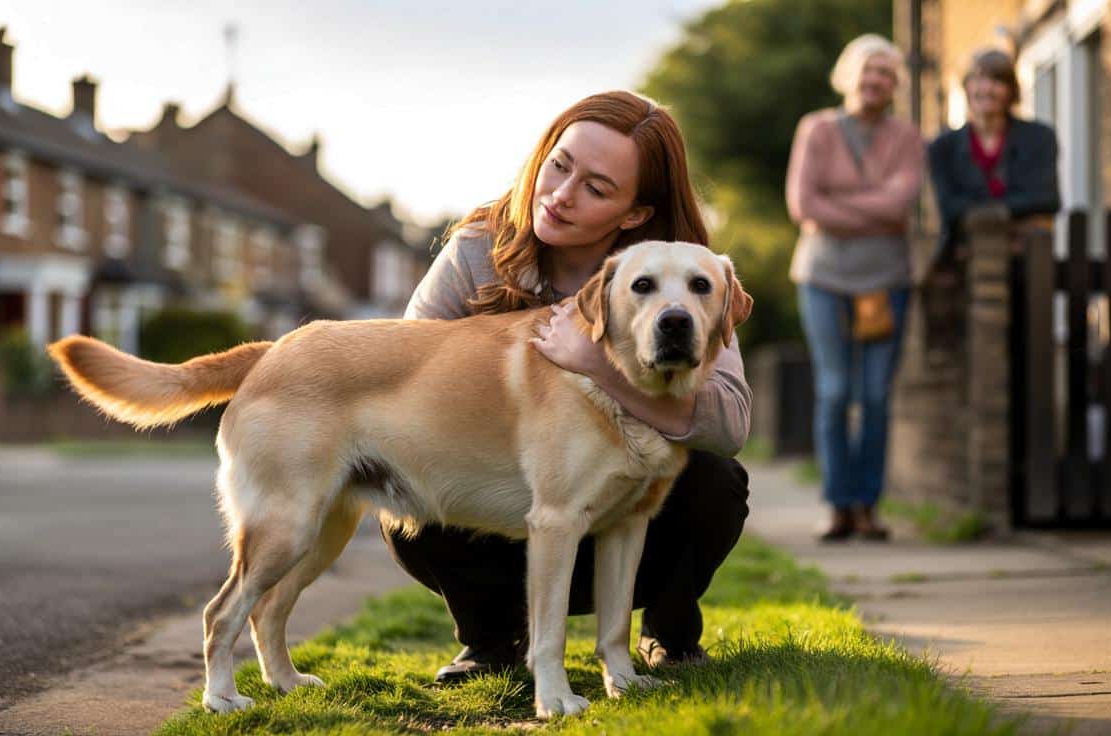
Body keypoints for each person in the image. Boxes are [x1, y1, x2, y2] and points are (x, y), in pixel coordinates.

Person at [383, 90, 752, 684]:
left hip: (629, 529)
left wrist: (594, 361)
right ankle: (492, 641)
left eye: (596, 188)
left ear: (634, 214)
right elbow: (405, 374)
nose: (559, 195)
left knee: (714, 478)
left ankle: (669, 628)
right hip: (505, 512)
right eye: (559, 165)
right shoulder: (477, 252)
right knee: (411, 485)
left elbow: (730, 424)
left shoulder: (684, 274)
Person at [784, 35, 924, 542]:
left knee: (876, 396)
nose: (875, 81)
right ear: (849, 75)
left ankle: (868, 507)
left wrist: (837, 207)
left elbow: (900, 207)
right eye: (868, 71)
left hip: (886, 281)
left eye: (886, 73)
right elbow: (803, 207)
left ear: (896, 85)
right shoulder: (816, 129)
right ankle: (837, 506)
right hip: (823, 278)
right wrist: (872, 205)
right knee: (836, 391)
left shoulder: (909, 137)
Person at [928, 48, 1061, 263]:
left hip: (1025, 260)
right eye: (978, 79)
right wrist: (1009, 211)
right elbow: (948, 208)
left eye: (997, 80)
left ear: (1011, 90)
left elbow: (1046, 199)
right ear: (966, 87)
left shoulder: (1039, 138)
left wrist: (977, 209)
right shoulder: (943, 147)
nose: (987, 89)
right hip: (963, 258)